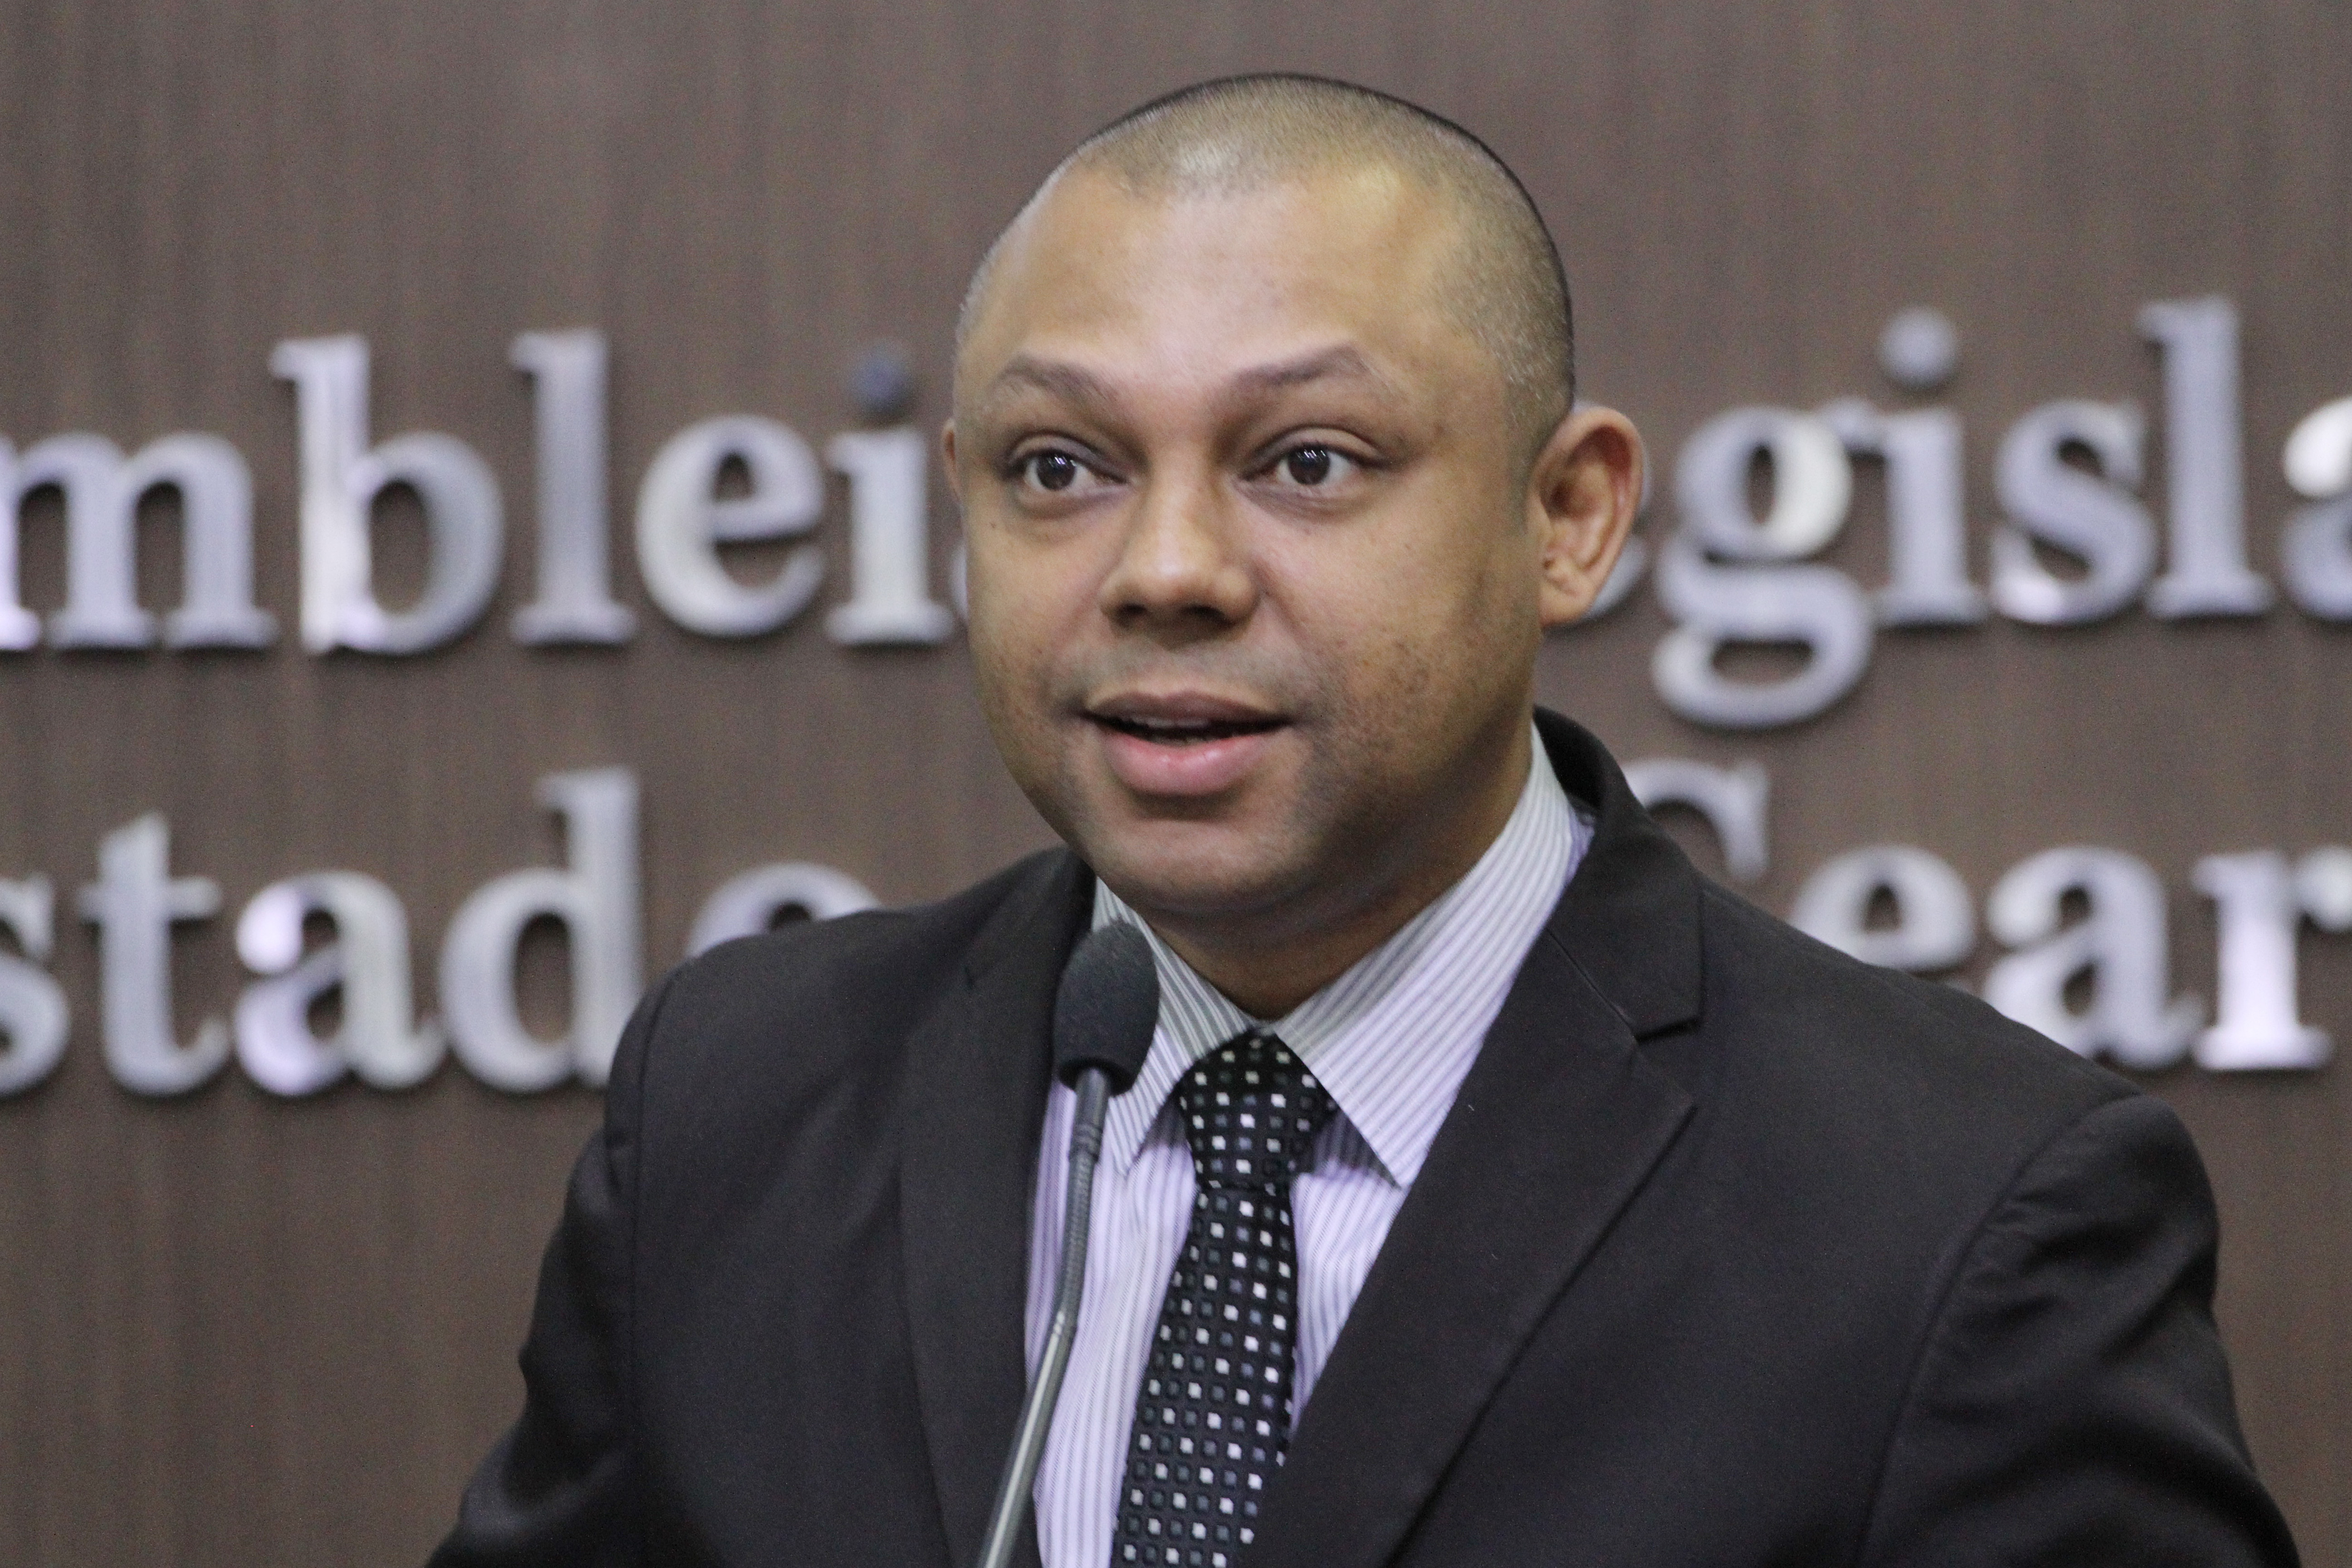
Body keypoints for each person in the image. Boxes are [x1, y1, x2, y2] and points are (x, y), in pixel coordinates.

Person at [431, 75, 2298, 1568]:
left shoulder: (1965, 1212)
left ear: (1568, 515)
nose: (1165, 569)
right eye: (1060, 468)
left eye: (1306, 462)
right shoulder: (740, 1109)